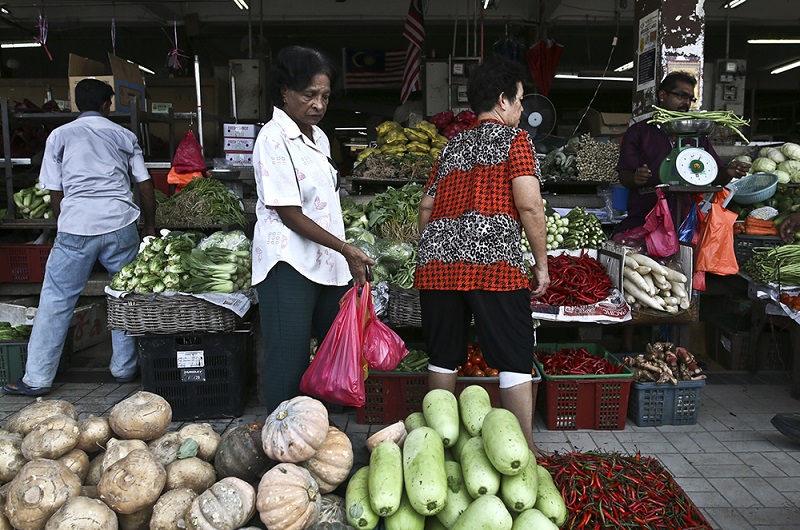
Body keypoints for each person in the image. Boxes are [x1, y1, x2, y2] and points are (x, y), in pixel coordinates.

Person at [414, 57, 550, 456]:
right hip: (494, 264)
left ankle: (439, 445)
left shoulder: (453, 145)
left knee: (443, 356)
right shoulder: (516, 141)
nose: (523, 109)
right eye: (521, 100)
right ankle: (523, 449)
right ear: (504, 101)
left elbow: (426, 207)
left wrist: (439, 246)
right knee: (514, 356)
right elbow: (530, 207)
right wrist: (541, 264)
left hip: (437, 265)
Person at [3, 78, 156, 396]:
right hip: (120, 225)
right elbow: (144, 184)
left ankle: (37, 378)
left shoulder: (59, 136)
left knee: (56, 299)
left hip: (75, 228)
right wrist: (150, 224)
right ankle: (124, 368)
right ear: (106, 105)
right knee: (123, 296)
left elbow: (54, 190)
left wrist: (65, 224)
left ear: (76, 104)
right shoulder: (124, 135)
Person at [252, 46, 374, 411]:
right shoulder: (272, 139)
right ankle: (282, 442)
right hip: (288, 263)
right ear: (284, 92)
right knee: (287, 358)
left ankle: (318, 433)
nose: (318, 104)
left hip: (326, 263)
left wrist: (341, 253)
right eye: (309, 95)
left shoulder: (318, 137)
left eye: (324, 96)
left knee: (333, 352)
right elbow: (289, 212)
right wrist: (347, 249)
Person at [615, 72, 750, 234]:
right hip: (645, 217)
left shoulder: (697, 136)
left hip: (686, 221)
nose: (686, 102)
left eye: (690, 99)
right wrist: (636, 178)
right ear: (662, 95)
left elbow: (713, 176)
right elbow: (624, 175)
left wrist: (728, 172)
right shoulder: (639, 132)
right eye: (681, 96)